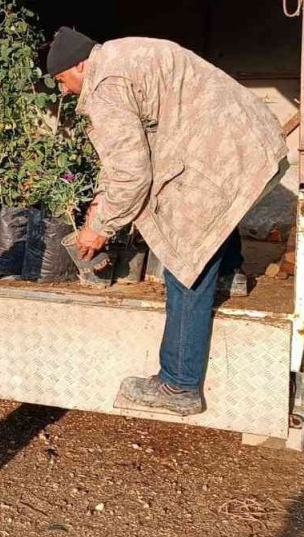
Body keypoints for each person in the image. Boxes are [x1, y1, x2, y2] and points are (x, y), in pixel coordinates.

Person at [45, 27, 288, 417]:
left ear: (79, 64)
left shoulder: (106, 83)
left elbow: (131, 173)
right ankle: (231, 274)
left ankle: (179, 384)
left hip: (219, 152)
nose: (65, 91)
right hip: (244, 142)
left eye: (63, 80)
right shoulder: (125, 54)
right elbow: (128, 155)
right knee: (211, 218)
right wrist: (102, 202)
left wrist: (100, 228)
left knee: (185, 256)